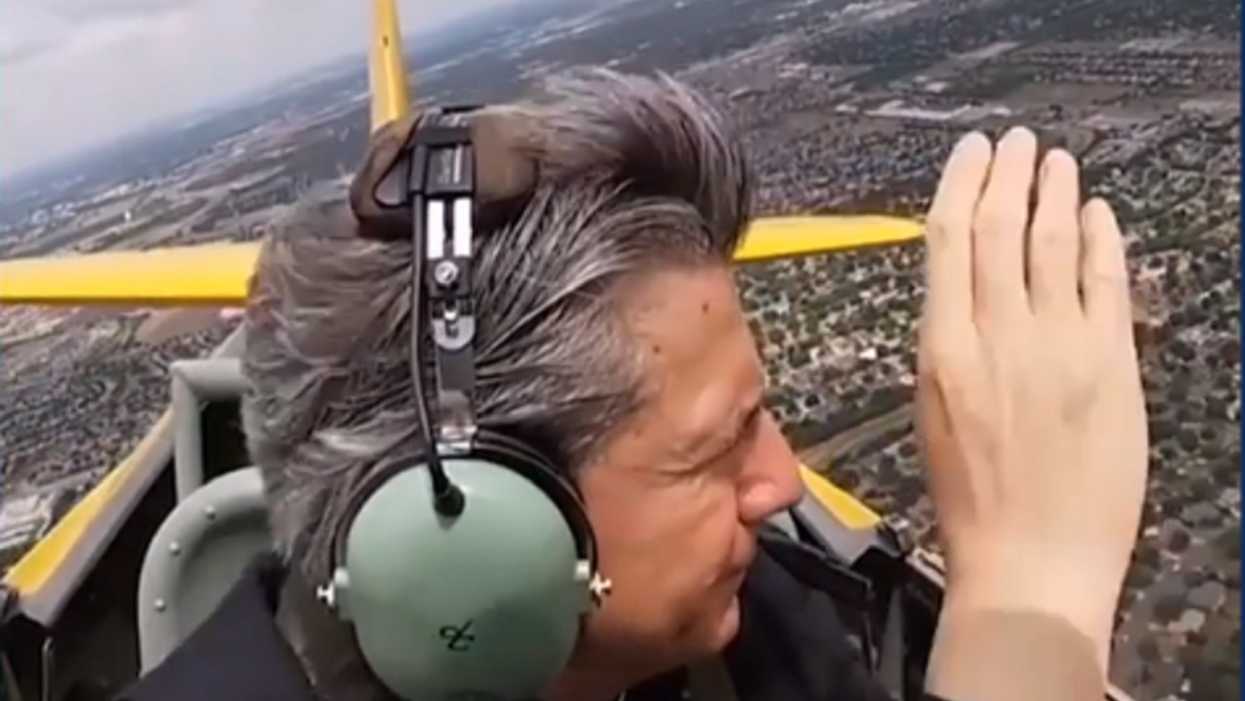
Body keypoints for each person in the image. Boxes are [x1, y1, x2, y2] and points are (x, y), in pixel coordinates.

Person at [119, 69, 1147, 701]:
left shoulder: (762, 638)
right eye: (713, 448)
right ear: (474, 534)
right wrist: (1025, 602)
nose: (783, 483)